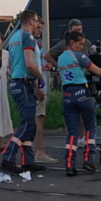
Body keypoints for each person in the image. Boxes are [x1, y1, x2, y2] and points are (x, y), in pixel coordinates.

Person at [58, 30, 101, 176]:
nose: (82, 47)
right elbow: (98, 71)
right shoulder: (79, 56)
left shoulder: (60, 58)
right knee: (90, 127)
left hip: (67, 96)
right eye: (80, 44)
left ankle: (69, 164)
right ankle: (89, 160)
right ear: (72, 43)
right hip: (83, 94)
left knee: (72, 132)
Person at [1, 10, 46, 173]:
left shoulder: (13, 37)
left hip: (16, 82)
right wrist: (40, 80)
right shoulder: (27, 37)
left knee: (30, 125)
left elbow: (15, 64)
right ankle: (8, 157)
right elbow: (29, 64)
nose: (38, 26)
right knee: (27, 123)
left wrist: (35, 86)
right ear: (32, 21)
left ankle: (28, 161)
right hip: (23, 84)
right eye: (37, 23)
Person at [32, 19, 58, 164]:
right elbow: (30, 65)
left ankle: (35, 151)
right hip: (36, 85)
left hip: (35, 84)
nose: (40, 30)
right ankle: (38, 152)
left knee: (36, 118)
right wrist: (38, 86)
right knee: (38, 118)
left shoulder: (31, 43)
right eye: (39, 27)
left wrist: (45, 68)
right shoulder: (30, 44)